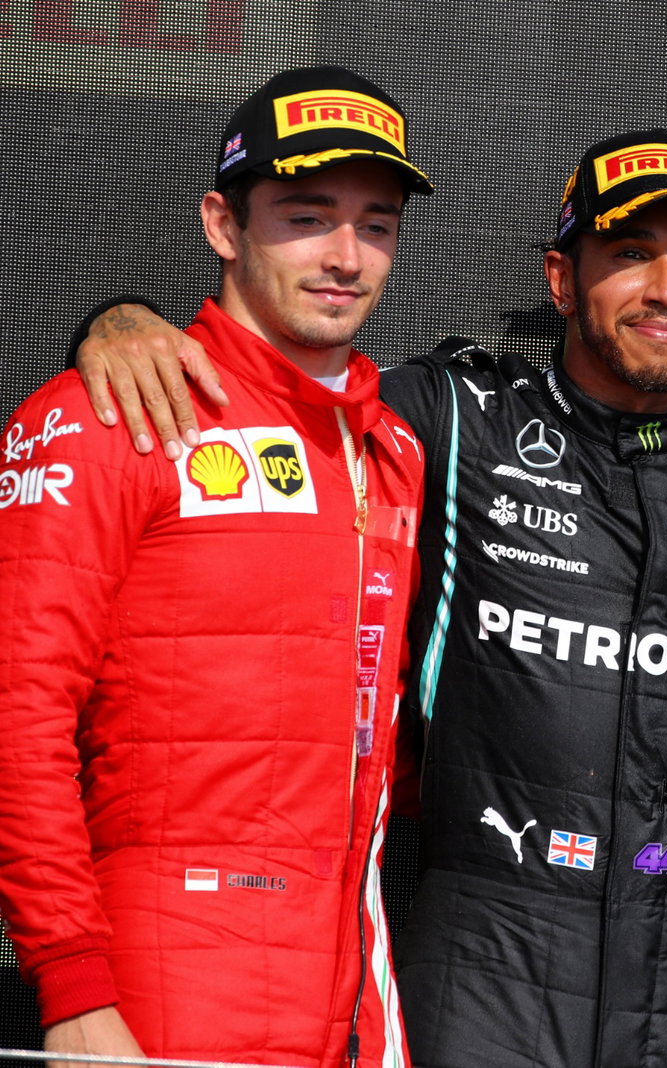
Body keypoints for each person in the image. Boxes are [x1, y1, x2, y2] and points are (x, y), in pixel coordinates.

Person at [0, 65, 430, 1066]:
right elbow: (18, 713)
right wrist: (71, 986)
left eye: (376, 224)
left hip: (356, 990)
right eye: (307, 216)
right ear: (222, 223)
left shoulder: (394, 451)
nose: (344, 255)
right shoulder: (101, 414)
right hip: (164, 995)